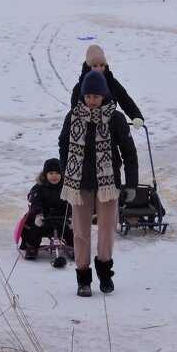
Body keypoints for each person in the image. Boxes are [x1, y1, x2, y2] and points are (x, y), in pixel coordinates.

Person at [59, 69, 138, 297]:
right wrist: (67, 170)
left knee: (107, 229)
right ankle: (83, 279)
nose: (91, 101)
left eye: (96, 96)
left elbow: (128, 153)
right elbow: (63, 144)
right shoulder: (73, 116)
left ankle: (105, 274)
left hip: (108, 185)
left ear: (104, 95)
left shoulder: (115, 118)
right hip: (79, 185)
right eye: (88, 96)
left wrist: (131, 184)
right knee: (81, 232)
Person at [69, 44, 144, 129]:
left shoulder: (112, 83)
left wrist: (136, 116)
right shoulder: (79, 87)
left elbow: (126, 101)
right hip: (86, 131)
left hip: (110, 130)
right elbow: (75, 111)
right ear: (89, 67)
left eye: (101, 65)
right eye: (94, 66)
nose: (99, 69)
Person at [19, 158, 74, 260]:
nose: (54, 176)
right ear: (45, 175)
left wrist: (71, 215)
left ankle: (75, 246)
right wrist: (38, 213)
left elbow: (72, 201)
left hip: (62, 219)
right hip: (44, 218)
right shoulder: (39, 187)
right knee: (36, 228)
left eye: (57, 173)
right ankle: (31, 246)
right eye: (51, 173)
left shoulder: (67, 187)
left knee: (72, 230)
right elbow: (35, 200)